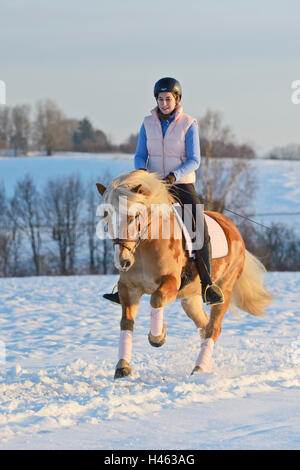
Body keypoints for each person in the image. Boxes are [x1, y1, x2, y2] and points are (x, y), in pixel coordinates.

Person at [103, 77, 224, 306]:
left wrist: (173, 176)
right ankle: (124, 284)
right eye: (160, 99)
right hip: (152, 185)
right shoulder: (147, 123)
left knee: (199, 229)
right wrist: (141, 173)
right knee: (129, 223)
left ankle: (207, 285)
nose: (164, 103)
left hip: (181, 184)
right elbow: (141, 154)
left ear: (177, 99)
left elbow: (194, 160)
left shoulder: (189, 123)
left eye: (168, 99)